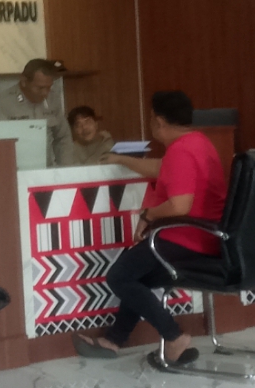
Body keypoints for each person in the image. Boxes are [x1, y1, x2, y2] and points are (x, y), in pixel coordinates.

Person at [72, 90, 227, 365]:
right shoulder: (198, 142)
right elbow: (161, 168)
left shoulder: (181, 151)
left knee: (119, 277)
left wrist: (148, 215)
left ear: (159, 121)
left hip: (183, 237)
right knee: (137, 276)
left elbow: (180, 205)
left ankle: (174, 336)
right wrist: (121, 159)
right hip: (204, 237)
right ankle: (113, 340)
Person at [0, 58, 74, 167]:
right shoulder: (3, 103)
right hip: (15, 170)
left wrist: (65, 169)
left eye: (48, 87)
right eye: (40, 88)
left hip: (46, 169)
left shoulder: (53, 100)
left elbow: (63, 138)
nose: (45, 93)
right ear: (24, 81)